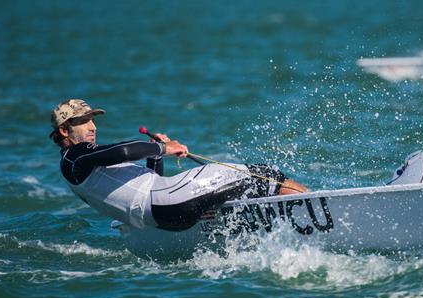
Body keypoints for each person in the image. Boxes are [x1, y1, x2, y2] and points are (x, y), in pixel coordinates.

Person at [50, 99, 308, 232]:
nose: (92, 126)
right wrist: (165, 147)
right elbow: (124, 151)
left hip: (165, 220)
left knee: (239, 190)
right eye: (83, 121)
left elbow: (146, 182)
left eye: (92, 120)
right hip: (168, 204)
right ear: (64, 129)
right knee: (263, 174)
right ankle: (314, 206)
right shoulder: (75, 156)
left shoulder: (79, 166)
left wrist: (156, 154)